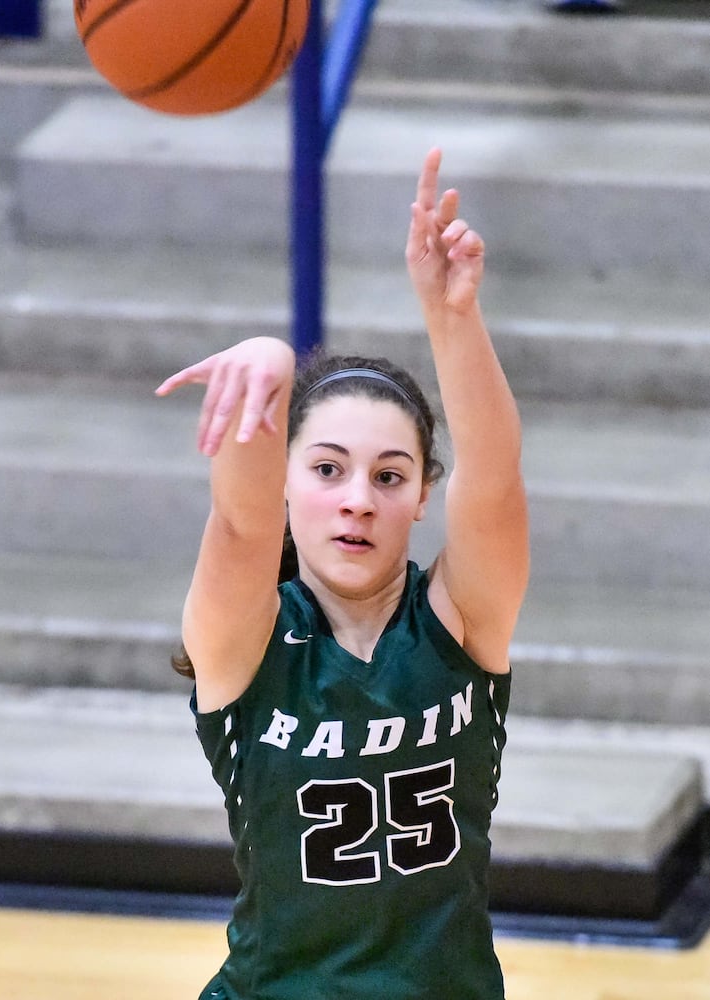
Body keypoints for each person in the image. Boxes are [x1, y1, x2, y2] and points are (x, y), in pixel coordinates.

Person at [156, 148, 529, 1000]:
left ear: (422, 496)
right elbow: (242, 522)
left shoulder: (460, 623)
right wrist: (265, 359)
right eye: (326, 469)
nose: (357, 499)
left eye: (388, 475)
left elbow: (497, 472)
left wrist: (451, 316)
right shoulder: (244, 638)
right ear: (288, 483)